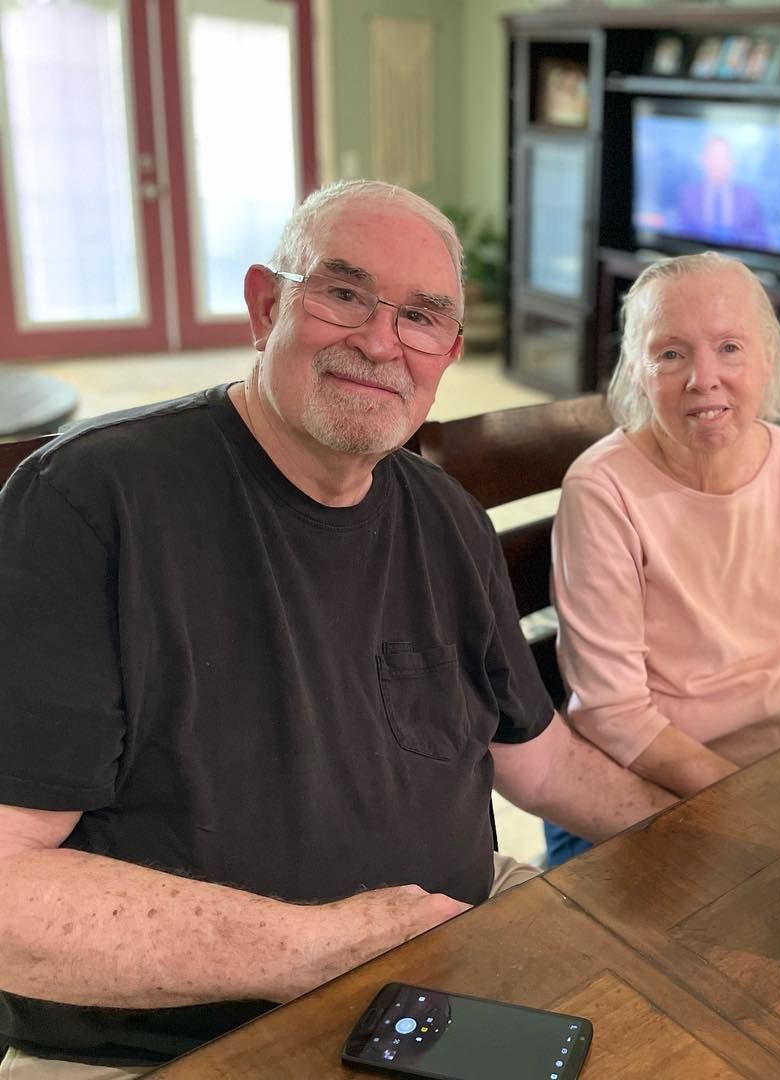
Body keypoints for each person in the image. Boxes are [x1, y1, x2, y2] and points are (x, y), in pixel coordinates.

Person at [0, 180, 675, 1077]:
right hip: (169, 1046)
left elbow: (539, 759)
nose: (379, 341)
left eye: (422, 317)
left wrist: (698, 831)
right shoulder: (92, 504)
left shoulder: (444, 517)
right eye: (343, 293)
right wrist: (308, 948)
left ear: (449, 353)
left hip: (439, 981)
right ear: (265, 304)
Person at [544, 252, 780, 866]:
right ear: (636, 371)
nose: (703, 377)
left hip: (770, 766)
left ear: (768, 358)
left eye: (729, 347)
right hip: (641, 781)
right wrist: (758, 805)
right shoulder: (603, 490)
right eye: (671, 354)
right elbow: (614, 713)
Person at [675, 137, 768, 250]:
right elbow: (679, 236)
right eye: (713, 158)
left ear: (731, 163)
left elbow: (762, 238)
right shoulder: (688, 195)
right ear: (703, 161)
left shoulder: (747, 197)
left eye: (723, 158)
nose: (718, 164)